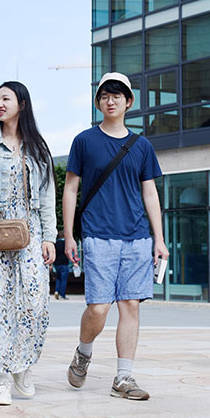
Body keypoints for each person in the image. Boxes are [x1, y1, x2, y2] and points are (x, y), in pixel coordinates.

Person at [61, 72, 168, 401]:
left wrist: (159, 239)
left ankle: (123, 377)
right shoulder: (84, 141)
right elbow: (70, 189)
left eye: (117, 96)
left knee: (130, 305)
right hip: (98, 236)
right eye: (105, 96)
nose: (111, 101)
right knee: (98, 309)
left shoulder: (142, 146)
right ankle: (84, 351)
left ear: (128, 102)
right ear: (98, 102)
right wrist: (69, 235)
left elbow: (150, 193)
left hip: (137, 237)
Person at [0, 81, 56, 406]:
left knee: (35, 302)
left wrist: (50, 237)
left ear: (22, 104)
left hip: (31, 233)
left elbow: (47, 196)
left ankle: (23, 365)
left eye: (6, 98)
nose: (0, 104)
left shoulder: (38, 149)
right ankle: (2, 379)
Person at [53, 230, 70, 300]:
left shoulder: (56, 244)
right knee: (63, 279)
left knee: (58, 278)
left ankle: (56, 291)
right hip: (64, 263)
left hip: (56, 264)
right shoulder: (66, 244)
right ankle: (62, 295)